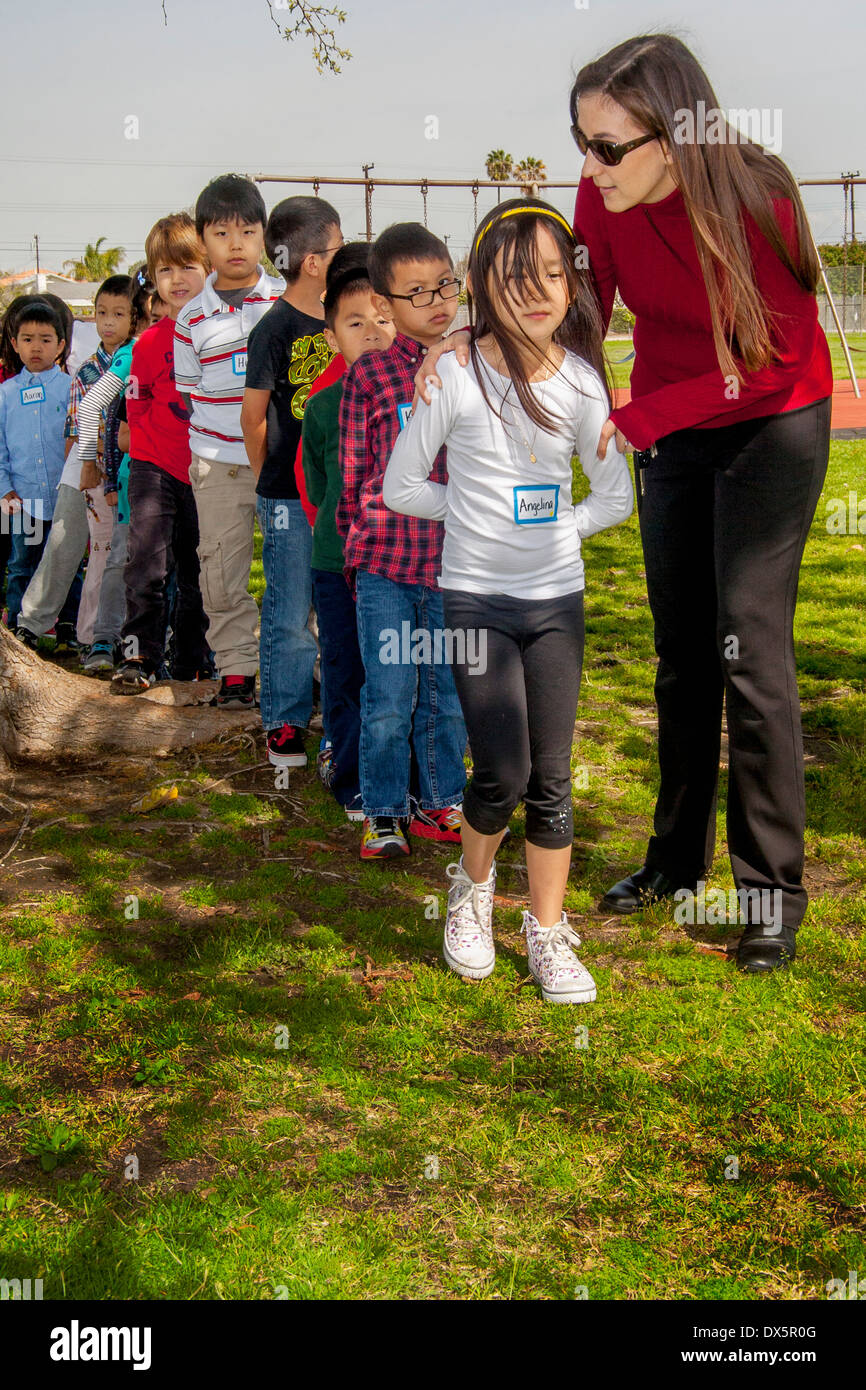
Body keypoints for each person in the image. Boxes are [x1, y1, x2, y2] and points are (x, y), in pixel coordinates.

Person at [385, 201, 632, 1002]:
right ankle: (471, 888)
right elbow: (401, 486)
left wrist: (565, 527)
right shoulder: (453, 373)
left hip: (557, 601)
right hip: (476, 605)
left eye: (554, 275)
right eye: (517, 276)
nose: (538, 291)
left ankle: (548, 929)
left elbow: (616, 497)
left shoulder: (584, 381)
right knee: (501, 770)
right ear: (484, 282)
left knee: (553, 775)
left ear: (572, 285)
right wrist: (468, 512)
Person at [335, 223, 468, 860]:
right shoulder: (372, 377)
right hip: (385, 565)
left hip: (455, 565)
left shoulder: (476, 365)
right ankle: (383, 811)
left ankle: (440, 803)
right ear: (386, 306)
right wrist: (356, 552)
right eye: (416, 292)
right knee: (388, 693)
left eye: (444, 283)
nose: (437, 300)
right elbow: (355, 473)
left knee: (445, 689)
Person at [173, 173, 283, 709]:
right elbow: (190, 389)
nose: (235, 244)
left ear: (264, 237)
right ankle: (237, 667)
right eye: (220, 233)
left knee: (296, 569)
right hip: (217, 463)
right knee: (219, 570)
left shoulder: (290, 303)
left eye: (247, 231)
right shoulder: (190, 318)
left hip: (284, 464)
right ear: (204, 241)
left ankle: (299, 668)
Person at [240, 196, 342, 764]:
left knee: (330, 606)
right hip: (285, 495)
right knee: (288, 608)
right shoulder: (274, 329)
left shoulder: (343, 319)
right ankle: (283, 717)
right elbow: (251, 417)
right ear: (310, 262)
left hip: (334, 496)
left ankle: (328, 702)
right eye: (337, 245)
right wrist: (272, 484)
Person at [302, 245, 395, 820]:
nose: (372, 332)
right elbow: (316, 482)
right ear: (333, 335)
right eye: (354, 323)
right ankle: (351, 772)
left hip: (399, 566)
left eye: (383, 318)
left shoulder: (424, 391)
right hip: (336, 562)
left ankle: (406, 773)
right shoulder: (322, 404)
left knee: (397, 673)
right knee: (345, 666)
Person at [111, 214, 212, 692]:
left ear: (208, 268)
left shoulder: (226, 335)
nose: (177, 279)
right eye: (165, 270)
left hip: (209, 468)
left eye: (188, 266)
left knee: (199, 570)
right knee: (145, 565)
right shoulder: (146, 344)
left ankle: (193, 661)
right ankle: (138, 658)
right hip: (154, 469)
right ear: (153, 278)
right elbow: (138, 409)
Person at [16, 275, 142, 653]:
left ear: (135, 317)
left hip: (127, 465)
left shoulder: (142, 356)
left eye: (118, 314)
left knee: (118, 555)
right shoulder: (86, 369)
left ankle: (104, 636)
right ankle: (31, 623)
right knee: (63, 544)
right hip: (85, 465)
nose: (107, 322)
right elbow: (75, 426)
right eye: (101, 313)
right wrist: (87, 467)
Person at [0, 301, 74, 633]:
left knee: (65, 561)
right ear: (14, 344)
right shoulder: (5, 394)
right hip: (21, 501)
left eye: (46, 339)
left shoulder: (72, 389)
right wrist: (5, 492)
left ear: (60, 345)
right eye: (27, 338)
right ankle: (20, 627)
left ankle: (70, 626)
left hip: (64, 497)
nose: (36, 346)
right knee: (21, 563)